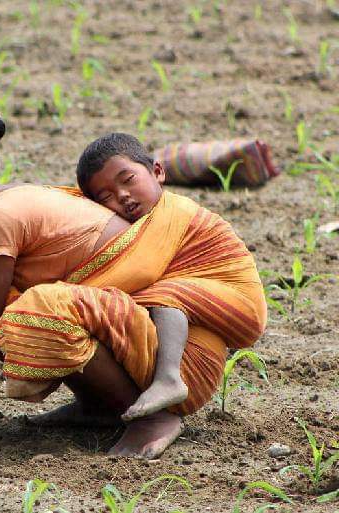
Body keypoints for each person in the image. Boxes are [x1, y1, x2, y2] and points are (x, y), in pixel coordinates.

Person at [0, 111, 234, 459]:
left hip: (181, 364)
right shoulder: (16, 199)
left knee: (35, 313)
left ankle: (154, 416)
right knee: (30, 305)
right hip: (154, 342)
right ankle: (98, 406)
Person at [72, 132, 268, 421]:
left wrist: (66, 294)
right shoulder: (139, 224)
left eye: (128, 181)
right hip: (203, 303)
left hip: (241, 305)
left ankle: (168, 378)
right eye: (106, 197)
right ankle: (93, 402)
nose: (122, 196)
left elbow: (136, 273)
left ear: (158, 172)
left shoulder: (171, 212)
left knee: (155, 292)